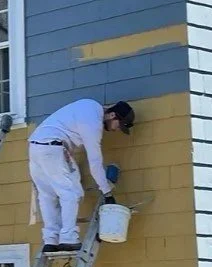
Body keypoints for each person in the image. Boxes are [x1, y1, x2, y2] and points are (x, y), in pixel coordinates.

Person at [28, 99, 135, 253]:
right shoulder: (93, 122)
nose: (116, 130)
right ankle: (68, 238)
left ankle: (50, 239)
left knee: (47, 195)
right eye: (119, 125)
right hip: (54, 148)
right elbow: (95, 162)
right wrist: (107, 192)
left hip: (35, 148)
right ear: (112, 115)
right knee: (71, 194)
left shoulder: (89, 107)